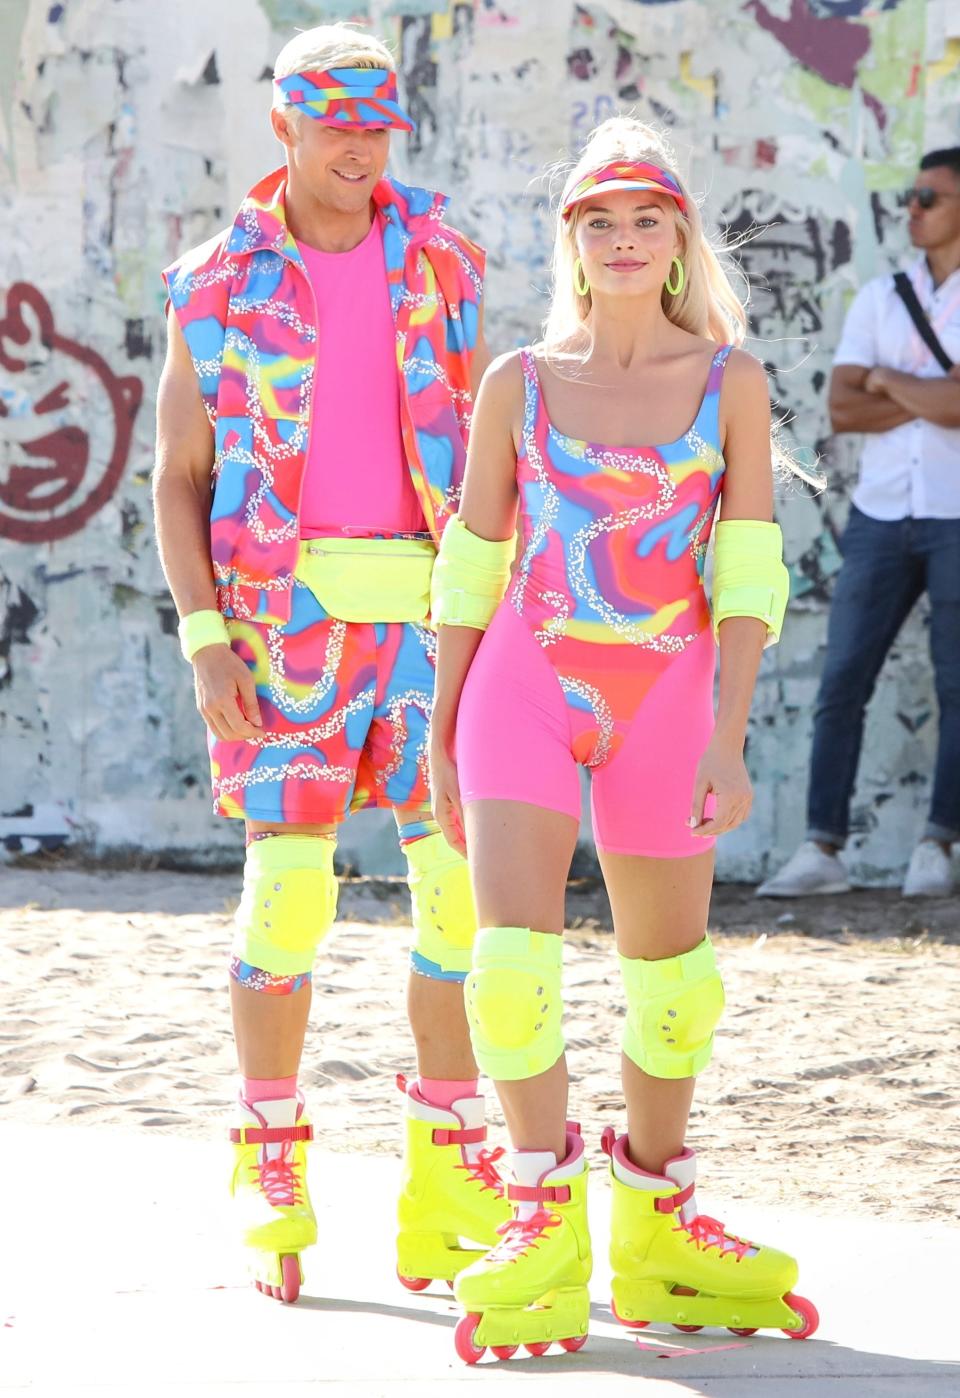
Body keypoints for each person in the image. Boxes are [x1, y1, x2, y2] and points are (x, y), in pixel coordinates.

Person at [428, 117, 818, 1364]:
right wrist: (442, 732)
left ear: (679, 236)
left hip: (672, 696)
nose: (626, 238)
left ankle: (657, 1222)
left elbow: (748, 568)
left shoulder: (732, 380)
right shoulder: (517, 383)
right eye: (601, 220)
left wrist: (732, 734)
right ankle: (538, 1217)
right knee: (508, 967)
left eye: (648, 218)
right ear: (575, 244)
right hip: (522, 688)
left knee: (675, 983)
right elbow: (475, 564)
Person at [153, 22, 509, 1306]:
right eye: (336, 125)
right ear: (286, 128)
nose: (361, 149)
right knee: (290, 895)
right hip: (277, 626)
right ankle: (270, 1152)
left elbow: (488, 444)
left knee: (457, 894)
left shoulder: (448, 263)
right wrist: (205, 640)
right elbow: (177, 478)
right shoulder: (216, 281)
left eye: (379, 128)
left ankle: (448, 1170)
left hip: (427, 617)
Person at [758, 148, 960, 900]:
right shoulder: (882, 295)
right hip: (880, 515)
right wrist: (927, 390)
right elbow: (844, 408)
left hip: (954, 514)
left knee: (956, 683)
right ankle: (822, 848)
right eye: (910, 196)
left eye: (928, 198)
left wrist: (888, 380)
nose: (911, 209)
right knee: (843, 680)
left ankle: (937, 845)